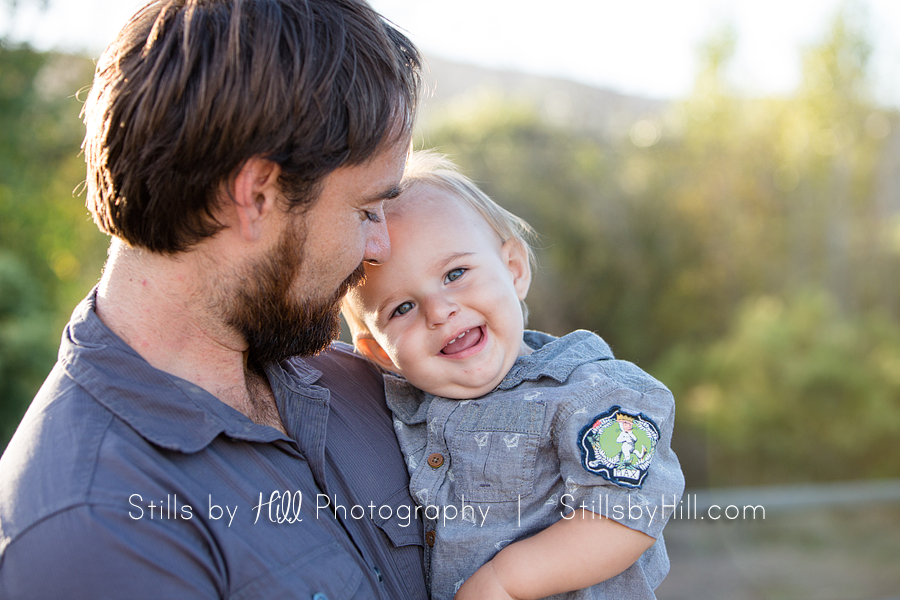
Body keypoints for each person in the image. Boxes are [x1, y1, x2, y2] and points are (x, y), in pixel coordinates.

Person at [0, 1, 428, 598]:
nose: (379, 245)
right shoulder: (92, 527)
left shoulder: (362, 379)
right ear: (255, 195)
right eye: (365, 210)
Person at [341, 151, 685, 600]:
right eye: (402, 308)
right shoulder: (392, 409)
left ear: (513, 270)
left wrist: (505, 580)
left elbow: (629, 510)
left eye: (455, 273)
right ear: (378, 353)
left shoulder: (588, 391)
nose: (440, 310)